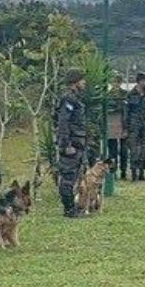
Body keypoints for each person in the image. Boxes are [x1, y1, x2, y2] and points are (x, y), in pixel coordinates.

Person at [55, 69, 88, 217]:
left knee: (74, 175)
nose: (84, 82)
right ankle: (69, 209)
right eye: (82, 80)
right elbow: (63, 123)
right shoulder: (68, 99)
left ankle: (73, 206)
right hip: (71, 143)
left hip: (78, 141)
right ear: (75, 82)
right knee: (68, 177)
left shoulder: (75, 98)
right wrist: (66, 144)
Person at [124, 71, 145, 181]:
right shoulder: (130, 94)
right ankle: (134, 172)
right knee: (134, 149)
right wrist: (125, 128)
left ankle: (142, 172)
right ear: (139, 81)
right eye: (144, 81)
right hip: (133, 125)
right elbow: (126, 112)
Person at [105, 73, 127, 178]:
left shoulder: (125, 94)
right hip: (111, 124)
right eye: (113, 82)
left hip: (123, 124)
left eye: (117, 81)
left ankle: (123, 171)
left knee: (124, 151)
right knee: (112, 151)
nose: (115, 84)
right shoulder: (107, 95)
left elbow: (127, 110)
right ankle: (113, 172)